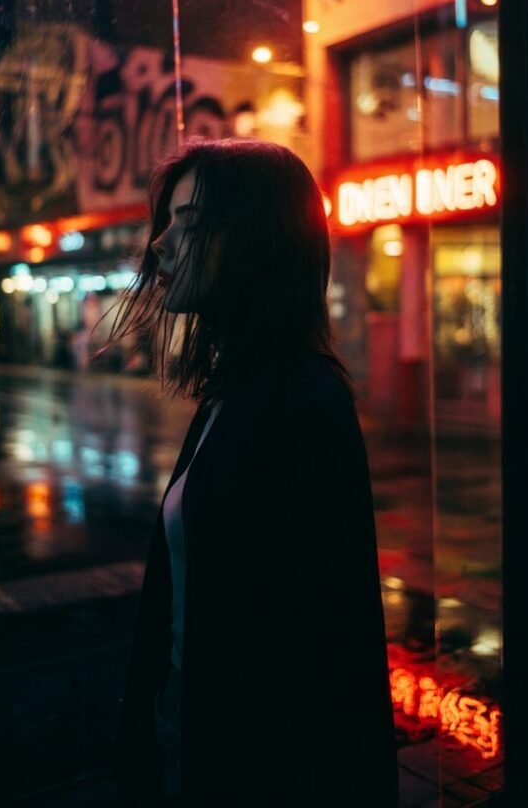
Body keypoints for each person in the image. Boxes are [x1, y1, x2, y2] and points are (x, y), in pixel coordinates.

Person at [112, 138, 398, 807]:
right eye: (167, 224)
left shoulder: (299, 398)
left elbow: (329, 641)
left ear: (255, 243)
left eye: (189, 225)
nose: (159, 246)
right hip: (191, 742)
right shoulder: (231, 390)